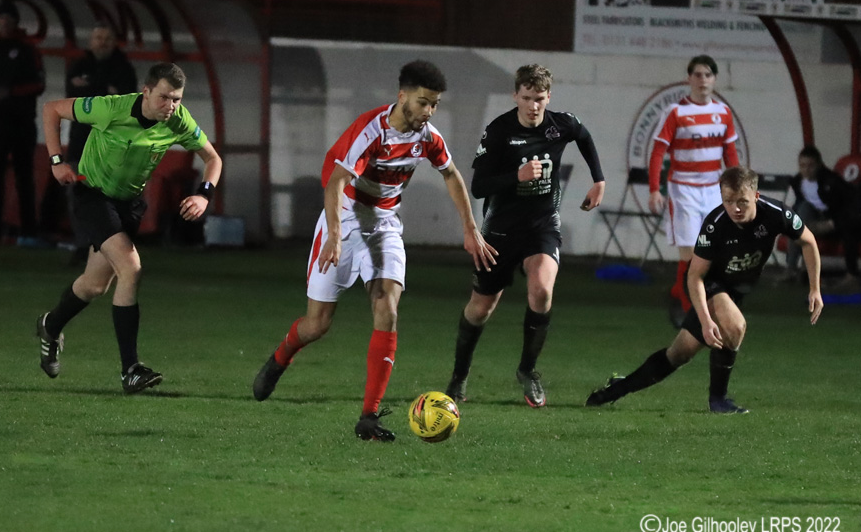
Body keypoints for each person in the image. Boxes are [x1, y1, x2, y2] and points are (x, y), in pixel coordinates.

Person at [252, 60, 496, 441]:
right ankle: (281, 357)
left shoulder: (427, 137)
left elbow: (451, 174)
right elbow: (335, 183)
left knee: (387, 306)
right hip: (345, 219)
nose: (428, 111)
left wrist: (470, 228)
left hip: (383, 225)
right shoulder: (371, 132)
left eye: (434, 104)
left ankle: (368, 417)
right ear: (402, 97)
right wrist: (334, 235)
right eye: (422, 102)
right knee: (317, 325)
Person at [35, 62, 222, 394]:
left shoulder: (179, 120)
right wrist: (56, 160)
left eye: (177, 99)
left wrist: (204, 195)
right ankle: (130, 370)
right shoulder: (111, 108)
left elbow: (213, 159)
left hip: (128, 205)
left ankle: (50, 325)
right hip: (92, 196)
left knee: (94, 286)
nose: (172, 106)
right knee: (131, 268)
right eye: (165, 97)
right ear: (147, 92)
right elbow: (51, 109)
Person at [586, 166, 823, 413]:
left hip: (735, 290)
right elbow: (695, 276)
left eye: (742, 201)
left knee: (678, 354)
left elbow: (808, 241)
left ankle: (616, 388)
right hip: (709, 284)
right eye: (728, 201)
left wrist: (815, 289)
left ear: (756, 196)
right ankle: (718, 400)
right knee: (735, 327)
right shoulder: (715, 224)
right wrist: (706, 319)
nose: (735, 208)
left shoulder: (776, 213)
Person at [444, 64, 606, 408]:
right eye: (528, 98)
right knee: (481, 306)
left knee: (542, 289)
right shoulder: (499, 131)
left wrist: (599, 179)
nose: (534, 105)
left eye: (540, 99)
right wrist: (516, 176)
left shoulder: (560, 124)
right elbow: (478, 187)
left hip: (542, 226)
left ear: (549, 97)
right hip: (500, 230)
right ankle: (459, 377)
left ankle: (528, 371)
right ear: (515, 95)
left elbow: (584, 136)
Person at [648, 55, 739, 326]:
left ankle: (679, 293)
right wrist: (656, 189)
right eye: (697, 75)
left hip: (713, 189)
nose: (703, 80)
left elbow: (730, 153)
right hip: (683, 190)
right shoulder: (676, 112)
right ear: (689, 79)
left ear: (715, 79)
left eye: (708, 75)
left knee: (713, 254)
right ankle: (691, 313)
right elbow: (658, 152)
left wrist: (737, 190)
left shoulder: (723, 112)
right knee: (689, 254)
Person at [0, 0, 45, 244]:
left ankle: (28, 229)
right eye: (1, 18)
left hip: (20, 122)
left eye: (8, 18)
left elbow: (38, 84)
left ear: (15, 21)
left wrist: (10, 93)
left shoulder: (28, 49)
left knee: (24, 176)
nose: (4, 23)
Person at [63, 24, 138, 263]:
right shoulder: (78, 65)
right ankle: (83, 245)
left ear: (115, 42)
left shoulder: (124, 68)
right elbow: (74, 97)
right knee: (78, 193)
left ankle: (107, 248)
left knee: (109, 198)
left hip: (111, 147)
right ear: (90, 41)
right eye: (98, 37)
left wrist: (92, 89)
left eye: (107, 38)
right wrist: (104, 90)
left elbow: (123, 103)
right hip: (81, 144)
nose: (102, 42)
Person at [783, 145, 861, 290]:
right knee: (798, 215)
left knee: (848, 228)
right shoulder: (797, 182)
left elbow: (851, 207)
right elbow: (801, 203)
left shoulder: (832, 181)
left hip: (838, 220)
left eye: (811, 166)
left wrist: (831, 223)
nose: (807, 170)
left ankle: (852, 275)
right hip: (816, 219)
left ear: (819, 165)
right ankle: (791, 268)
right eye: (803, 166)